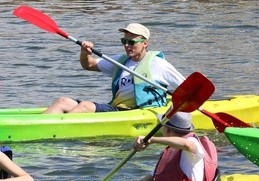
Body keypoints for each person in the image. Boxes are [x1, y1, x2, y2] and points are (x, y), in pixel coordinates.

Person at [43, 23, 185, 114]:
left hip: (139, 112)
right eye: (124, 41)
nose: (127, 45)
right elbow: (89, 65)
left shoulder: (158, 64)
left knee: (85, 106)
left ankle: (55, 129)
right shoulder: (120, 61)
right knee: (63, 101)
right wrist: (84, 53)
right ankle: (38, 125)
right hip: (117, 108)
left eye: (131, 42)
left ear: (145, 43)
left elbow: (186, 86)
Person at [111, 112, 218, 181]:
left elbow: (187, 145)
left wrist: (152, 140)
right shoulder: (172, 153)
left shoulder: (191, 142)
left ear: (166, 130)